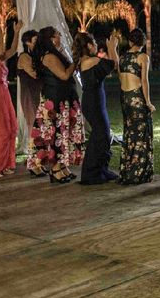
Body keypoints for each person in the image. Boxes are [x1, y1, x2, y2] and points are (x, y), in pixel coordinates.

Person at [29, 27, 84, 183]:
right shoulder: (49, 57)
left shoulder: (55, 54)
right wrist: (76, 62)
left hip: (63, 97)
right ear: (51, 39)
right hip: (55, 101)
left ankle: (62, 166)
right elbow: (64, 75)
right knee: (55, 134)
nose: (60, 36)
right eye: (58, 34)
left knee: (63, 133)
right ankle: (54, 169)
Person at [75, 32, 119, 185]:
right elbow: (114, 64)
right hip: (93, 103)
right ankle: (91, 172)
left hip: (94, 101)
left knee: (102, 135)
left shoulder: (87, 60)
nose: (95, 46)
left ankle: (101, 169)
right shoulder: (90, 60)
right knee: (100, 136)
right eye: (93, 43)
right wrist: (112, 47)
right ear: (88, 45)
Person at [118, 28, 155, 185]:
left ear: (131, 41)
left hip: (125, 98)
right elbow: (144, 81)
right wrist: (148, 102)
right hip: (136, 97)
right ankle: (138, 173)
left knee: (129, 134)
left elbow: (121, 78)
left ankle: (127, 170)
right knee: (141, 135)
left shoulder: (123, 57)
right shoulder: (143, 57)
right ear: (143, 42)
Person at [0, 20, 21, 178]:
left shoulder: (0, 59)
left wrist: (16, 32)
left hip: (4, 95)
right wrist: (0, 32)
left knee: (11, 129)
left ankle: (6, 164)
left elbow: (12, 50)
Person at [17, 29, 42, 162]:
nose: (38, 43)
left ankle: (40, 155)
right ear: (27, 42)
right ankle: (34, 159)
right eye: (35, 41)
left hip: (38, 93)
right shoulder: (24, 57)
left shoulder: (36, 55)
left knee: (41, 123)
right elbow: (34, 73)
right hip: (29, 94)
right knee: (33, 123)